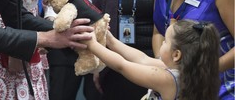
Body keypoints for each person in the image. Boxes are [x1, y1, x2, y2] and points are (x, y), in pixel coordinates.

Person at [83, 19, 221, 100]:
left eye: (165, 42)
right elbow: (141, 59)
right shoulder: (185, 73)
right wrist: (111, 40)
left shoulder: (168, 79)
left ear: (176, 55)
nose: (162, 43)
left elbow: (122, 66)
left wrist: (92, 44)